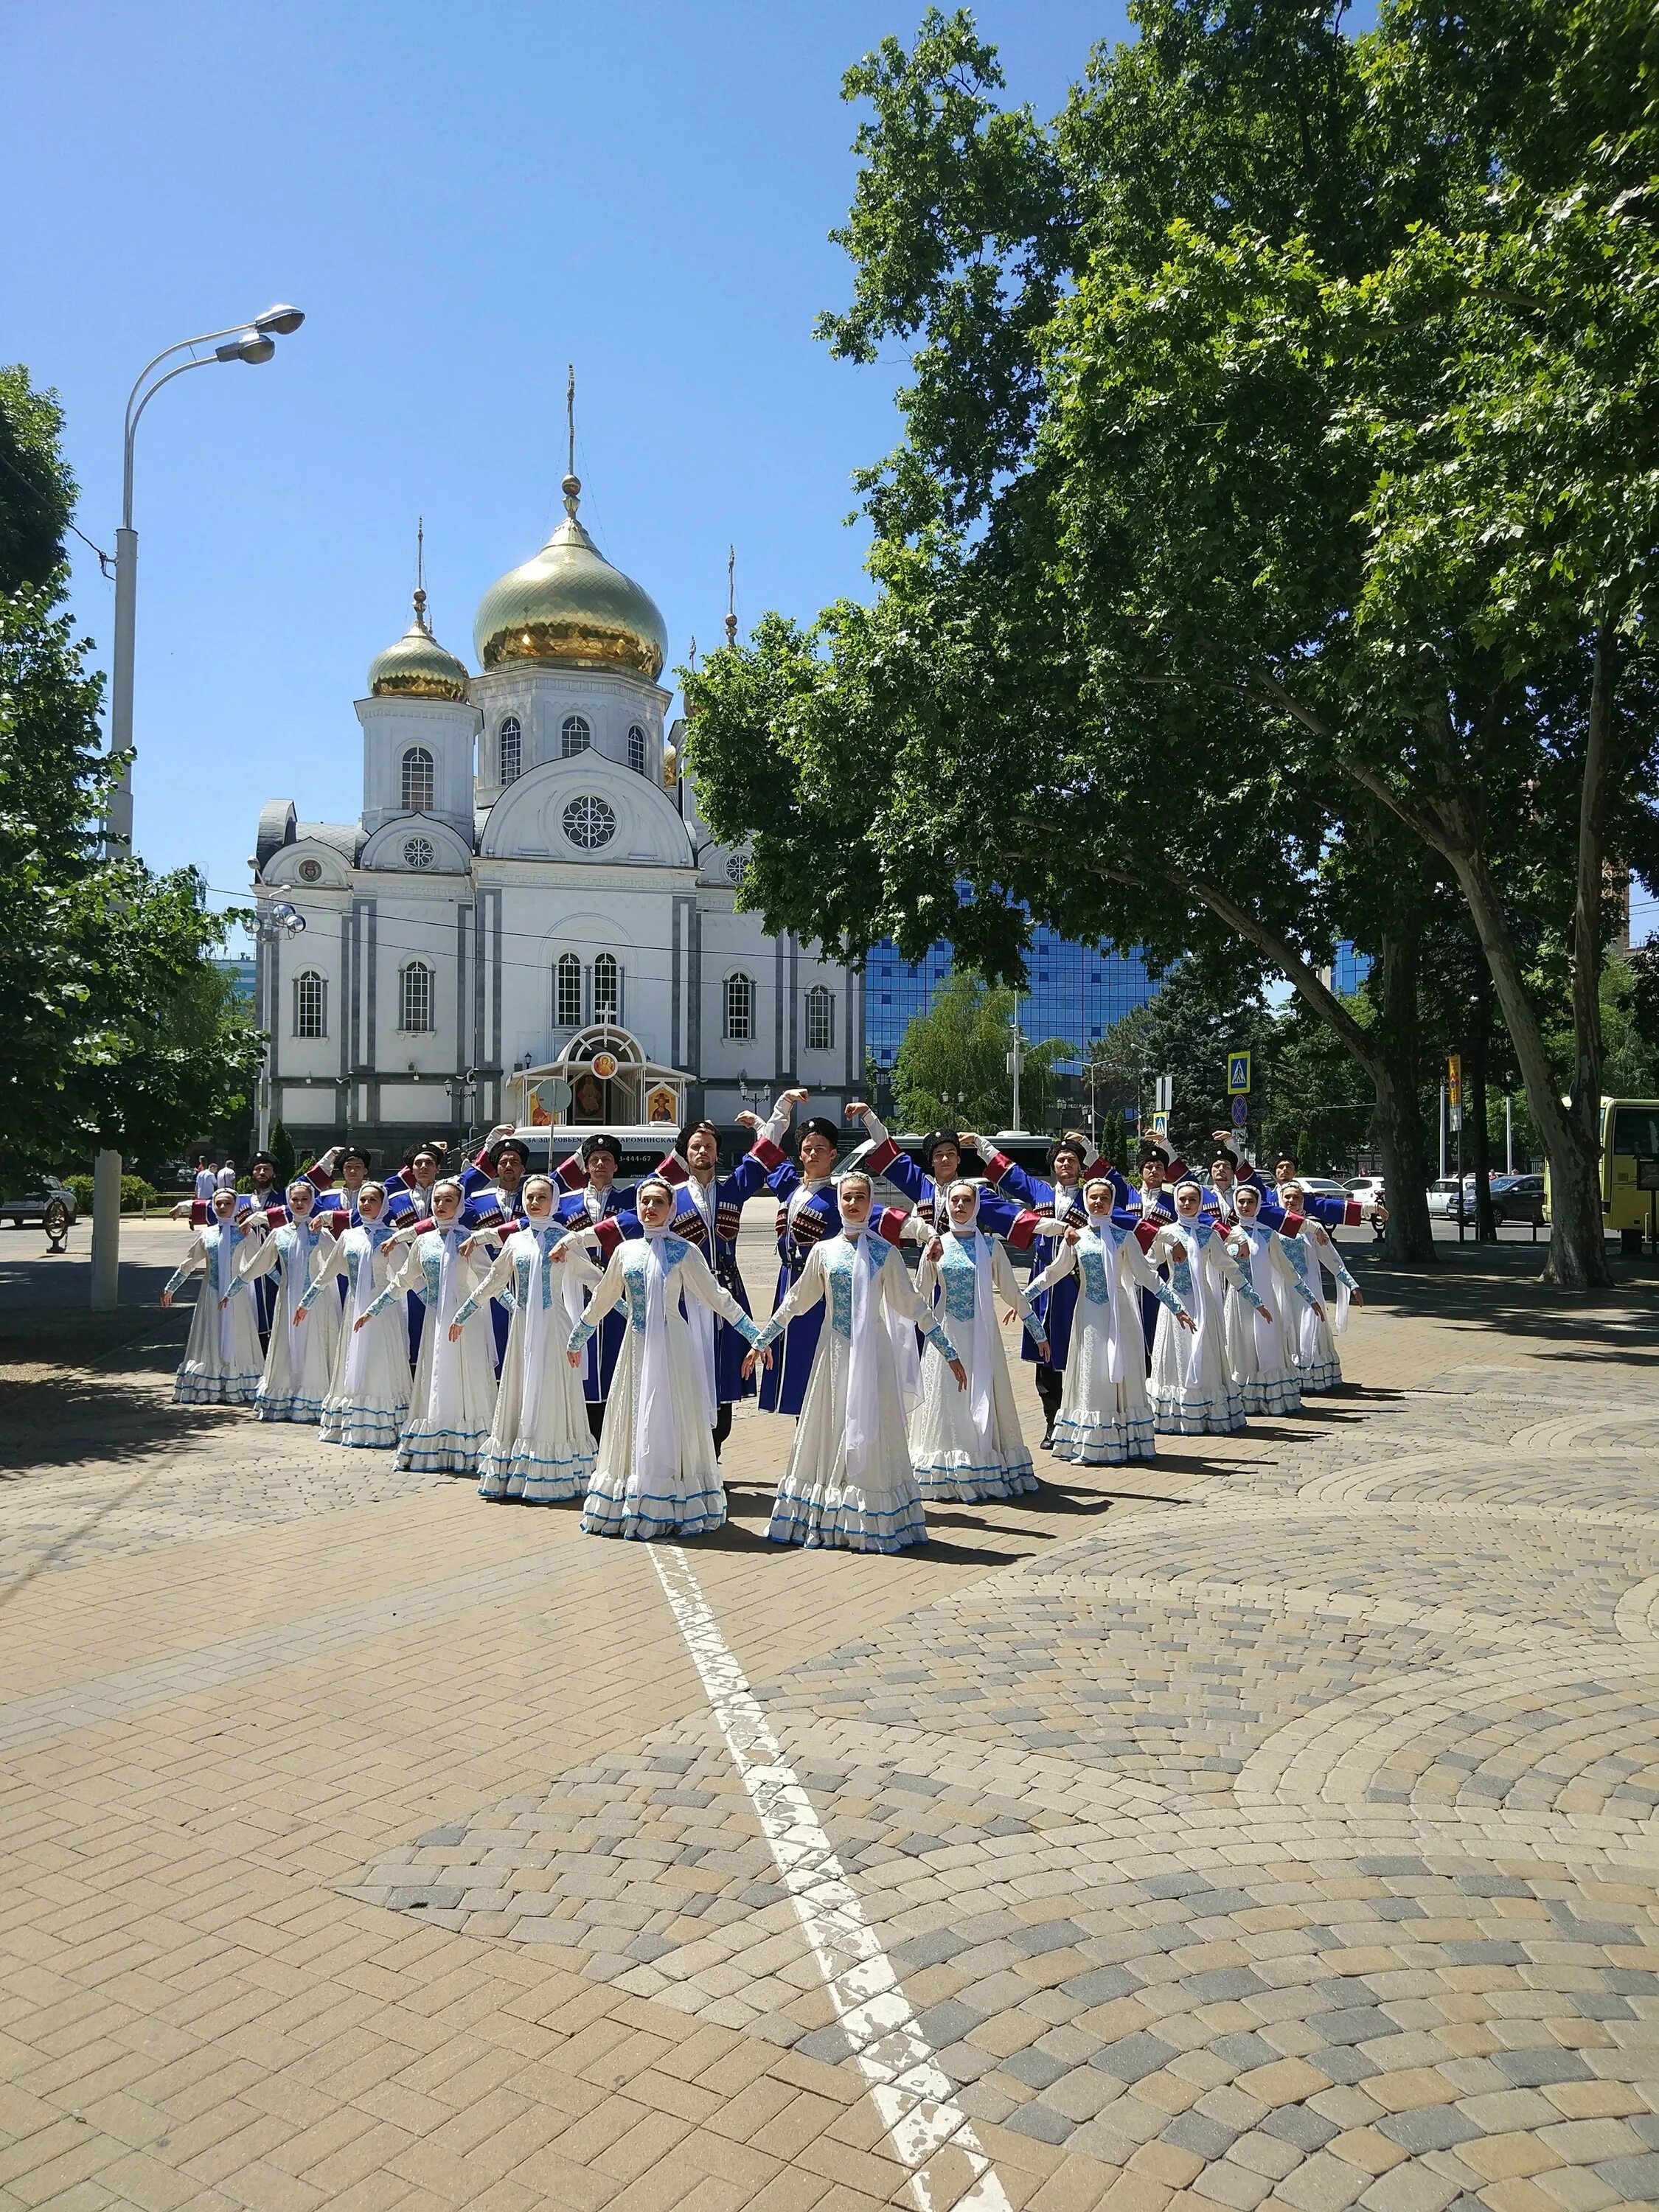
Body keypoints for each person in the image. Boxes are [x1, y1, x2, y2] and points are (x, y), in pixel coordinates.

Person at [746, 1172, 967, 1554]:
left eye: (860, 1197)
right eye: (847, 1198)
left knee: (873, 1424)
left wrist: (949, 1351)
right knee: (831, 1423)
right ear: (839, 1202)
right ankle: (828, 1511)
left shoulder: (886, 1252)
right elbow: (797, 1301)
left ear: (870, 1202)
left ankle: (870, 1511)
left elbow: (914, 1305)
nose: (853, 1204)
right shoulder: (823, 1252)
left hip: (875, 1354)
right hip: (833, 1354)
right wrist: (761, 1340)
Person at [568, 1177, 768, 1540]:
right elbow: (605, 1296)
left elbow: (716, 1296)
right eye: (645, 1201)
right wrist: (578, 1335)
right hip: (636, 1346)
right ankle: (632, 1494)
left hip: (673, 1346)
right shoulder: (625, 1252)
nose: (650, 1208)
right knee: (634, 1412)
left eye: (659, 1202)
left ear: (671, 1209)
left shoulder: (685, 1251)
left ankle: (673, 1493)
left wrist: (756, 1335)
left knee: (669, 1415)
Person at [748, 1093, 909, 1417]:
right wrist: (780, 1110)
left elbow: (884, 1216)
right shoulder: (790, 1187)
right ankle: (803, 1438)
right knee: (791, 1365)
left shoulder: (840, 1195)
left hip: (823, 1291)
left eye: (820, 1148)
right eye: (807, 1148)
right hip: (787, 1283)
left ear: (833, 1154)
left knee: (818, 1361)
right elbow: (766, 1152)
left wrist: (926, 1233)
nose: (813, 1154)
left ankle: (826, 1432)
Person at [450, 1176, 599, 1503]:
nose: (534, 1203)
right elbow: (493, 1281)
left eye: (541, 1197)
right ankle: (516, 1468)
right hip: (521, 1328)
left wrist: (627, 1306)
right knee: (519, 1388)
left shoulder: (565, 1240)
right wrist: (463, 1314)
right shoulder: (515, 1242)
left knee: (551, 1390)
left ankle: (554, 1470)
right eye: (530, 1197)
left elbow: (594, 1279)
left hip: (555, 1327)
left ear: (554, 1201)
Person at [655, 1099, 792, 1455]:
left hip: (728, 1292)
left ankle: (714, 1451)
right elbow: (631, 1222)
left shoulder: (732, 1188)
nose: (703, 1151)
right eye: (696, 1147)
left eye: (709, 1146)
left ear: (718, 1152)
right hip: (685, 1296)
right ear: (685, 1154)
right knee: (687, 1365)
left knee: (725, 1369)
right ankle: (688, 1452)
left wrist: (778, 1112)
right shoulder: (671, 1196)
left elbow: (764, 1154)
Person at [1024, 1180, 1194, 1464]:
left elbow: (1147, 1276)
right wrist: (1023, 1297)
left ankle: (1125, 1440)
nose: (1098, 1202)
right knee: (1093, 1371)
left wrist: (1176, 1306)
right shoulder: (1076, 1237)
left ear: (1113, 1201)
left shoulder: (1124, 1237)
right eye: (1093, 1197)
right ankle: (1093, 1442)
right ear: (1086, 1201)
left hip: (1120, 1314)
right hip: (1089, 1314)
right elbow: (1055, 1272)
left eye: (1105, 1197)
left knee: (1121, 1372)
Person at [909, 1182, 1049, 1502]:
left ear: (976, 1205)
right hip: (946, 1336)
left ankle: (983, 1460)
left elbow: (1012, 1293)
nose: (960, 1206)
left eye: (967, 1200)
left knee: (983, 1393)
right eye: (954, 1200)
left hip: (983, 1336)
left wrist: (1037, 1331)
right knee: (947, 1399)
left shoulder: (990, 1246)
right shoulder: (936, 1245)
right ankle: (948, 1468)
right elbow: (918, 1296)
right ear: (946, 1204)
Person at [966, 1127, 1104, 1448]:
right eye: (1060, 1160)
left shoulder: (1092, 1196)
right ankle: (1051, 1423)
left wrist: (1089, 1147)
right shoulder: (1041, 1193)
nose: (1065, 1164)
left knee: (1079, 1350)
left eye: (1071, 1160)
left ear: (1081, 1166)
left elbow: (1121, 1201)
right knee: (1045, 1354)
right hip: (1043, 1282)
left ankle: (1081, 1420)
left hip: (1078, 1283)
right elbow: (1011, 1175)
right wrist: (981, 1144)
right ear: (1053, 1166)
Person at [357, 1179, 497, 1473]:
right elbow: (403, 1280)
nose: (441, 1205)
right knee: (434, 1373)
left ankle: (468, 1447)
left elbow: (490, 1279)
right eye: (437, 1199)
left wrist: (514, 1307)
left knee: (463, 1376)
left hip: (463, 1319)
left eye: (448, 1200)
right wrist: (373, 1310)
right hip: (435, 1319)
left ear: (459, 1205)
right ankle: (435, 1439)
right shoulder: (423, 1241)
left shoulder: (469, 1239)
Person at [1147, 1180, 1272, 1436]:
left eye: (1193, 1200)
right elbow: (1148, 1266)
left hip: (1203, 1302)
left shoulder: (1209, 1234)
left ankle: (1206, 1413)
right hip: (1174, 1301)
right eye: (1182, 1199)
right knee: (1175, 1354)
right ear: (1175, 1202)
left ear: (1200, 1203)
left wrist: (1255, 1300)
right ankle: (1175, 1415)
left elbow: (1231, 1270)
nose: (1186, 1204)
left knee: (1204, 1352)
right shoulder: (1165, 1233)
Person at [296, 1180, 413, 1447]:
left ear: (383, 1205)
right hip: (354, 1306)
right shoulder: (348, 1236)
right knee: (353, 1356)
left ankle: (384, 1422)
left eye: (373, 1200)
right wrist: (306, 1303)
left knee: (380, 1358)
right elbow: (327, 1273)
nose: (367, 1204)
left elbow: (408, 1277)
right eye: (363, 1200)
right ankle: (352, 1419)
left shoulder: (391, 1238)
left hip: (382, 1309)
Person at [555, 1133, 641, 1441]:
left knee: (616, 1351)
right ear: (586, 1166)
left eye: (606, 1159)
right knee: (581, 1353)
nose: (600, 1164)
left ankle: (615, 1426)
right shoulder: (564, 1204)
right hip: (576, 1290)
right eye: (594, 1160)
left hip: (618, 1287)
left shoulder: (632, 1199)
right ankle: (581, 1428)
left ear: (616, 1166)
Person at [235, 1180, 343, 1423]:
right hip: (287, 1297)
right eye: (295, 1199)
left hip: (316, 1299)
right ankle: (286, 1393)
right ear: (288, 1201)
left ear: (312, 1201)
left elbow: (340, 1262)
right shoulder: (278, 1233)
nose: (300, 1204)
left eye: (305, 1199)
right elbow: (258, 1265)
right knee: (287, 1341)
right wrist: (233, 1289)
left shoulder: (322, 1234)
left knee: (315, 1341)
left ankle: (315, 1395)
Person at [159, 1188, 267, 1405]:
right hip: (211, 1293)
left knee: (238, 1333)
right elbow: (189, 1263)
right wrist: (171, 1288)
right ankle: (210, 1383)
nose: (223, 1207)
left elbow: (260, 1261)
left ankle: (239, 1382)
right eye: (218, 1204)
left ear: (235, 1206)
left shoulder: (244, 1233)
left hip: (237, 1295)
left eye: (227, 1203)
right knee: (211, 1332)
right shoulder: (207, 1234)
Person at [1221, 1183, 1313, 1416]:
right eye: (1240, 1202)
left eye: (1250, 1202)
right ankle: (1242, 1399)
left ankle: (1270, 1398)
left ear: (1258, 1204)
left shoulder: (1267, 1233)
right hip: (1239, 1300)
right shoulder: (1226, 1235)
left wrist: (1310, 1298)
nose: (1245, 1206)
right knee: (1241, 1345)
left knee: (1267, 1345)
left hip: (1265, 1299)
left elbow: (1287, 1269)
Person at [1277, 1181, 1365, 1390]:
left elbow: (1331, 1258)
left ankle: (1310, 1376)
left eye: (1295, 1197)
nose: (1291, 1201)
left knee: (1310, 1326)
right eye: (1287, 1197)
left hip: (1309, 1286)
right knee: (1285, 1326)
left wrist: (1351, 1284)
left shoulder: (1312, 1227)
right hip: (1281, 1287)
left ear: (1302, 1200)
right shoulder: (1274, 1225)